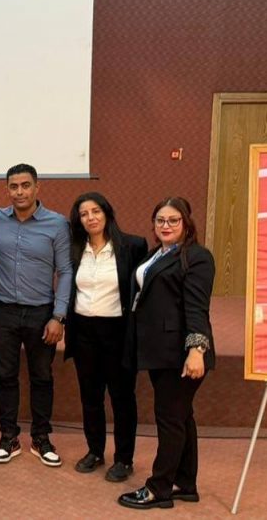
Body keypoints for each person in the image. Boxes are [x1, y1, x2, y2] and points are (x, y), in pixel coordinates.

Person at [119, 197, 215, 510]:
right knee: (181, 416)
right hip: (159, 351)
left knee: (170, 419)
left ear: (186, 223)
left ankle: (159, 488)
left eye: (174, 220)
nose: (166, 225)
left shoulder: (197, 257)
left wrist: (196, 350)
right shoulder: (157, 253)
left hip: (181, 354)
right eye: (160, 220)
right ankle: (185, 483)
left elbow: (197, 308)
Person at [0, 163, 71, 468]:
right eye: (13, 186)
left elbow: (66, 271)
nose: (19, 192)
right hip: (3, 312)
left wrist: (58, 316)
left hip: (42, 314)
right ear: (7, 189)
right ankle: (8, 437)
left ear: (37, 187)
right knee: (5, 376)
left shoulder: (57, 224)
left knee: (42, 376)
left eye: (25, 185)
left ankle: (41, 437)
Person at [65, 192, 147, 482]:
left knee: (122, 398)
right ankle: (95, 451)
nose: (91, 218)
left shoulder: (132, 246)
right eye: (84, 214)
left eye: (96, 211)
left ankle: (124, 458)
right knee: (91, 397)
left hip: (117, 333)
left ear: (107, 213)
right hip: (84, 332)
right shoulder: (75, 249)